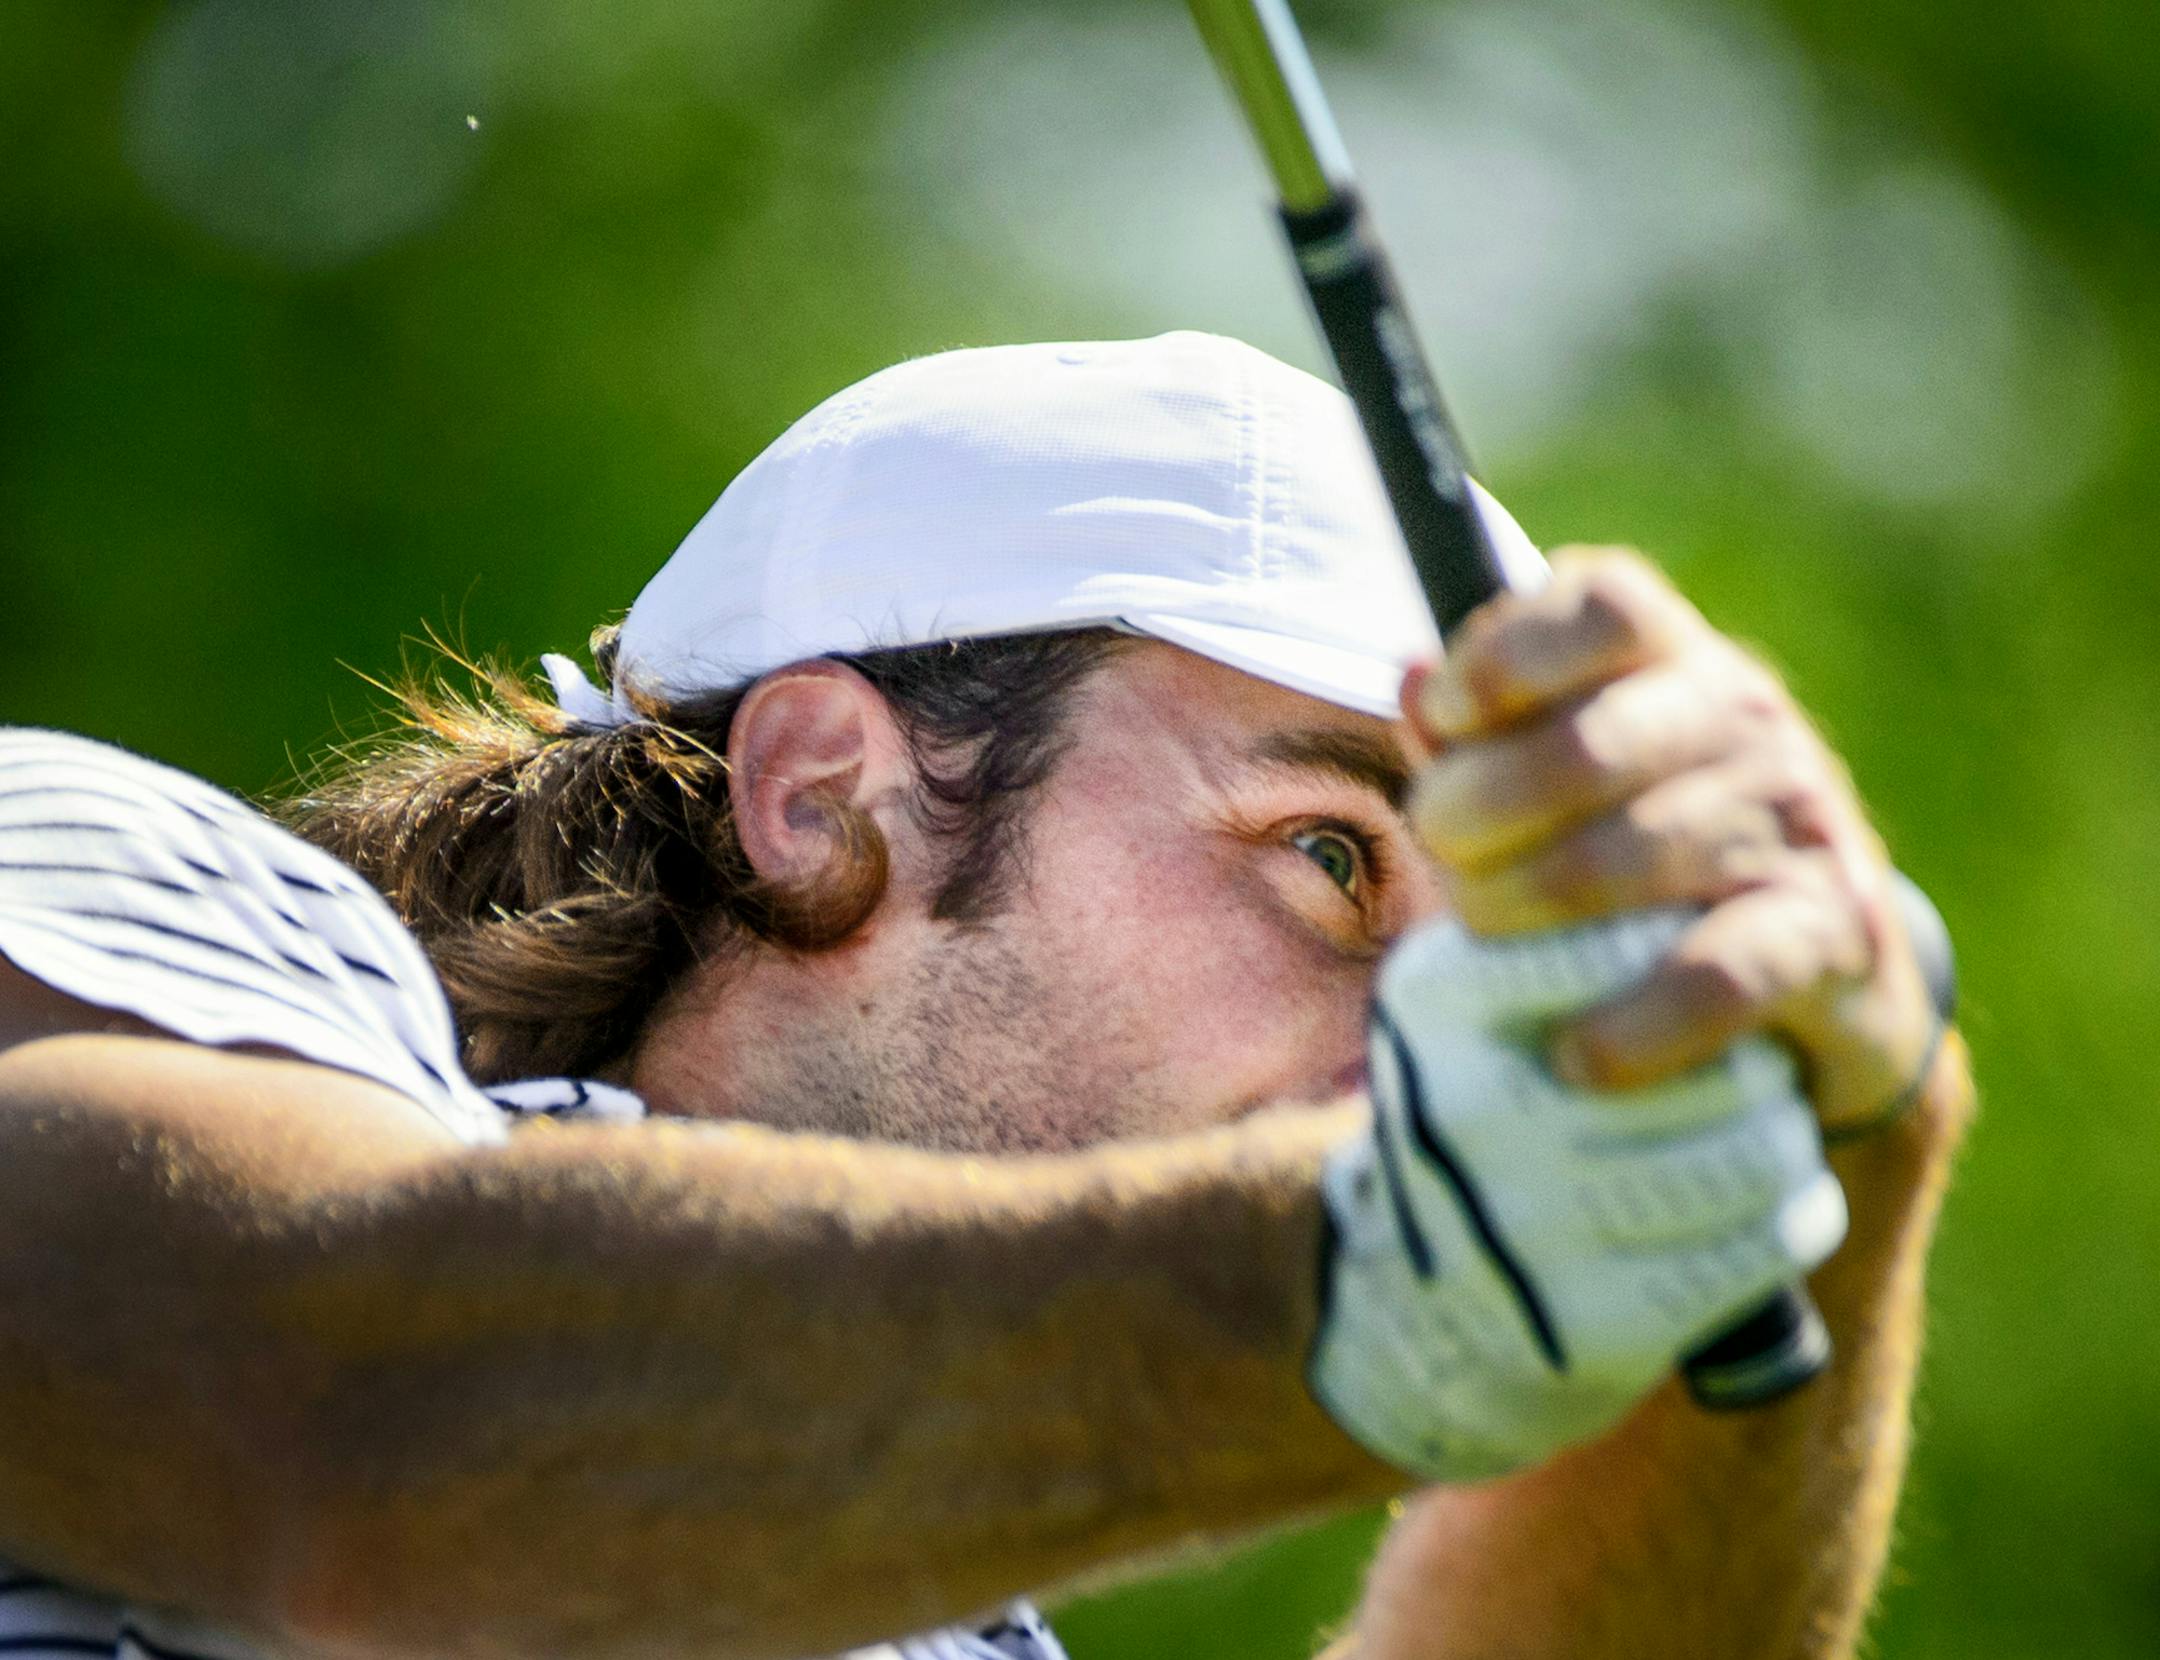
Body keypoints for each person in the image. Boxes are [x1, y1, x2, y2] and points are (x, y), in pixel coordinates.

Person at [0, 332, 1967, 1660]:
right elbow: (350, 1415)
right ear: (821, 786)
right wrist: (1386, 1279)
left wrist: (1838, 1155)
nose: (1420, 1061)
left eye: (1473, 962)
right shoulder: (112, 891)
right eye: (1335, 859)